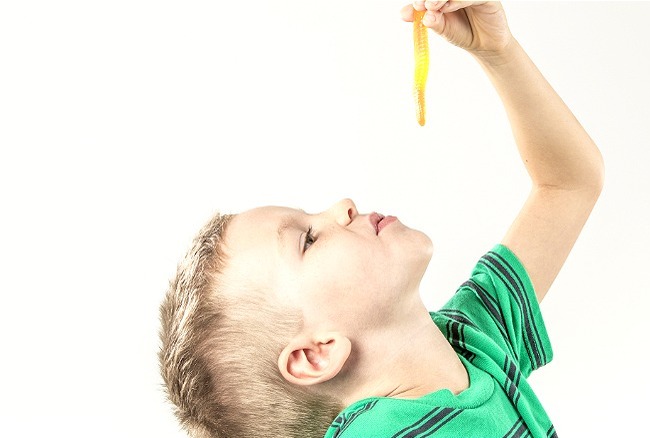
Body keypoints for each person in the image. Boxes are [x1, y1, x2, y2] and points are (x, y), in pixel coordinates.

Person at [159, 1, 604, 437]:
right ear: (317, 353)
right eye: (308, 240)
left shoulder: (473, 343)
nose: (342, 206)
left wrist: (497, 51)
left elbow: (568, 185)